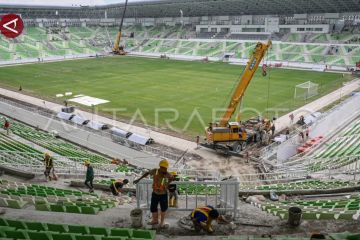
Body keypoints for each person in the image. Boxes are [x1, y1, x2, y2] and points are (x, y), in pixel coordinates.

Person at [133, 159, 173, 228]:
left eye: (165, 168)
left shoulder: (167, 174)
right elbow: (147, 173)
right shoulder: (155, 171)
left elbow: (172, 178)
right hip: (155, 193)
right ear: (160, 167)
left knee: (163, 208)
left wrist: (168, 184)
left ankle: (162, 222)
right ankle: (155, 220)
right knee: (153, 208)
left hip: (163, 194)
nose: (164, 169)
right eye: (163, 168)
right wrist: (139, 179)